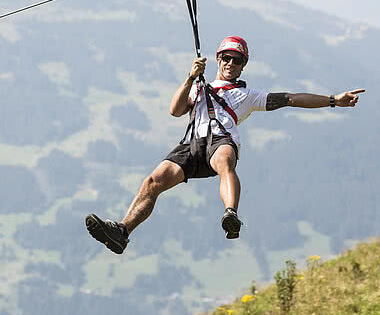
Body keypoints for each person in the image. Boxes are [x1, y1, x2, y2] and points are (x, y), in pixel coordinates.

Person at [85, 36, 365, 254]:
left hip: (221, 141)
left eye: (237, 60)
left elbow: (292, 98)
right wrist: (190, 77)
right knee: (152, 181)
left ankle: (231, 212)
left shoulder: (249, 95)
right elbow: (175, 110)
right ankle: (122, 233)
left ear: (243, 65)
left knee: (224, 161)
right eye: (227, 58)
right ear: (219, 60)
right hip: (192, 144)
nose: (231, 63)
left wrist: (332, 100)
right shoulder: (198, 86)